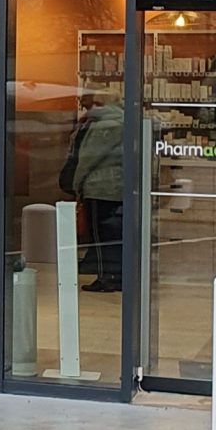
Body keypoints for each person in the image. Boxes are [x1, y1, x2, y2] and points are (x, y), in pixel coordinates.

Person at [58, 90, 127, 291]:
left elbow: (89, 157)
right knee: (114, 234)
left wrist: (76, 183)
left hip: (99, 186)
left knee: (99, 235)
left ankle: (106, 276)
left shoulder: (103, 124)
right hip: (118, 185)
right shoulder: (124, 120)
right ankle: (117, 275)